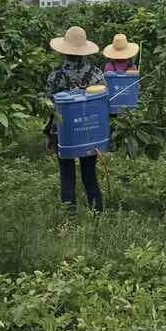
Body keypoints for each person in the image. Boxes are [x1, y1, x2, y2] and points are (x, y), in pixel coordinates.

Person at [45, 26, 105, 212]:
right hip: (89, 130)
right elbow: (103, 103)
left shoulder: (55, 76)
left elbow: (49, 106)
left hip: (63, 132)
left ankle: (69, 215)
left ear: (64, 51)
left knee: (66, 174)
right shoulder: (96, 74)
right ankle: (97, 212)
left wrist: (49, 135)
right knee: (90, 174)